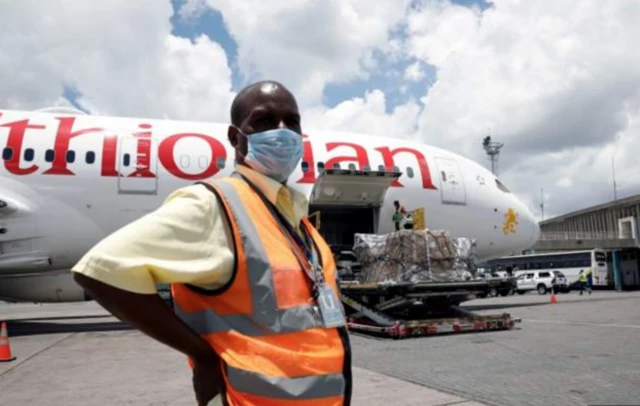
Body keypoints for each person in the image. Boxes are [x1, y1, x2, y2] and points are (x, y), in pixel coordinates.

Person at [71, 80, 352, 406]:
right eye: (264, 121)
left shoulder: (296, 218)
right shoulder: (216, 204)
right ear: (235, 138)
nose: (283, 131)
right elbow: (102, 269)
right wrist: (202, 355)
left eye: (292, 122)